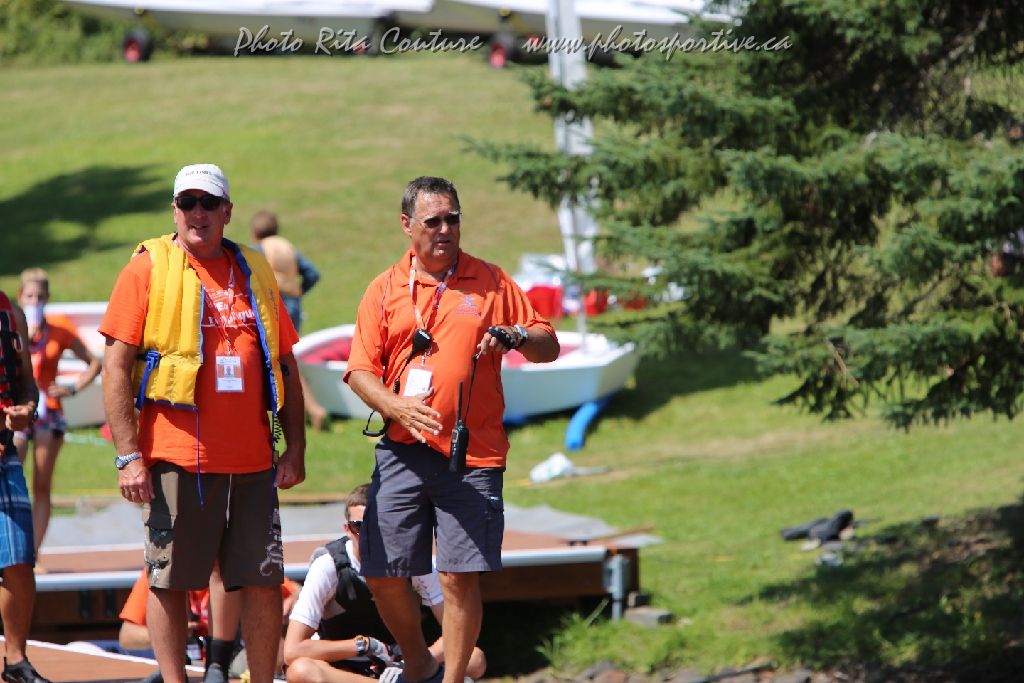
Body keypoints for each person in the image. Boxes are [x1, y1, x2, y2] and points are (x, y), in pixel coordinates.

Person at [344, 177, 559, 683]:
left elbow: (548, 343)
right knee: (381, 571)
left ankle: (455, 678)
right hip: (403, 450)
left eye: (452, 219)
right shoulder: (385, 288)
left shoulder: (491, 280)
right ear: (407, 225)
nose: (445, 229)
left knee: (459, 578)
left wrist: (517, 335)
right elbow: (358, 371)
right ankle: (419, 659)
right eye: (433, 220)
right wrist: (396, 406)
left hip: (472, 453)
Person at [99, 164, 307, 683]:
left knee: (263, 580)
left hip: (254, 461)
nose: (198, 212)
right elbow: (115, 366)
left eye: (209, 202)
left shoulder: (255, 268)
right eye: (187, 202)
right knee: (169, 580)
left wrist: (296, 447)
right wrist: (128, 456)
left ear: (227, 211)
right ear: (174, 210)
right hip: (177, 457)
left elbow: (284, 363)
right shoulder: (147, 268)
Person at [283, 484, 486, 683]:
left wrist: (414, 663)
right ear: (347, 529)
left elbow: (457, 629)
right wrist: (363, 645)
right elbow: (293, 650)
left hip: (401, 662)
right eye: (359, 527)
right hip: (342, 666)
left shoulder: (414, 562)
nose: (369, 536)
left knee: (473, 658)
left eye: (377, 527)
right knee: (300, 670)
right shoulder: (328, 566)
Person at [13, 268, 102, 552]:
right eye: (30, 296)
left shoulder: (59, 331)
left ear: (48, 298)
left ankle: (33, 553)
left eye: (40, 296)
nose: (35, 301)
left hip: (48, 411)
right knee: (11, 475)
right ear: (20, 297)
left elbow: (94, 362)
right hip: (18, 408)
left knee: (41, 484)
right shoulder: (13, 329)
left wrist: (72, 388)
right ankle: (13, 546)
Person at [0, 290, 49, 683]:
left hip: (3, 453)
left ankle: (16, 661)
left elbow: (28, 385)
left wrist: (27, 410)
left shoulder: (10, 313)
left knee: (18, 559)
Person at [249, 212, 330, 431]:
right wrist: (298, 291)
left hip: (273, 304)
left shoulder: (258, 249)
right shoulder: (287, 247)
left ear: (254, 233)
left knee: (277, 358)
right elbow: (312, 273)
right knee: (285, 356)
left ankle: (312, 409)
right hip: (293, 305)